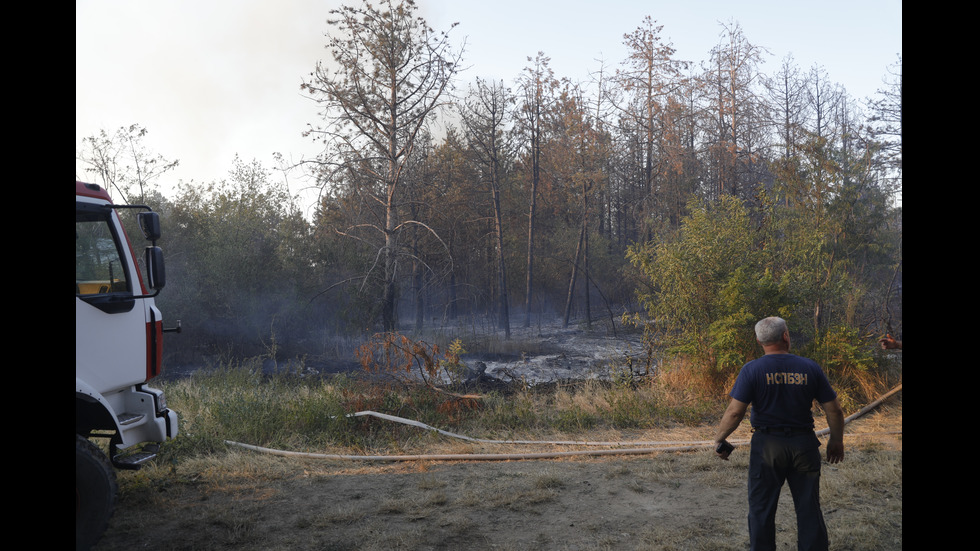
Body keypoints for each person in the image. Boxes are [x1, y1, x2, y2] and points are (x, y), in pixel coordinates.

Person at [714, 316, 845, 551]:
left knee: (761, 509)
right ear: (786, 336)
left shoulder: (751, 369)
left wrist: (720, 439)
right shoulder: (809, 367)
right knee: (808, 508)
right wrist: (836, 440)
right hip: (804, 444)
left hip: (767, 446)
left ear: (758, 340)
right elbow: (834, 408)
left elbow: (734, 413)